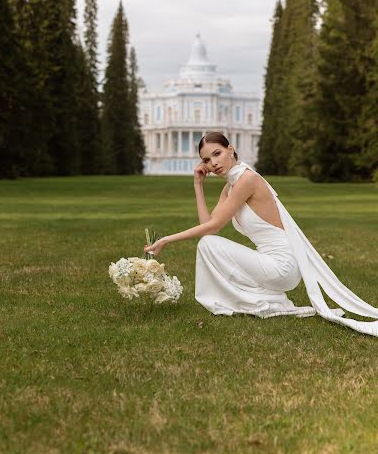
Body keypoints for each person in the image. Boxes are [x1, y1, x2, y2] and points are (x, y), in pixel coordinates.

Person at [144, 132, 378, 337]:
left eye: (217, 154)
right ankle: (265, 300)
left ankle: (252, 301)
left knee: (208, 245)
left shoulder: (247, 180)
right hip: (274, 265)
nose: (213, 163)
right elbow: (208, 223)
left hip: (283, 266)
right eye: (206, 159)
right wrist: (198, 185)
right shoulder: (231, 186)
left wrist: (167, 239)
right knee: (208, 244)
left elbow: (212, 228)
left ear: (230, 150)